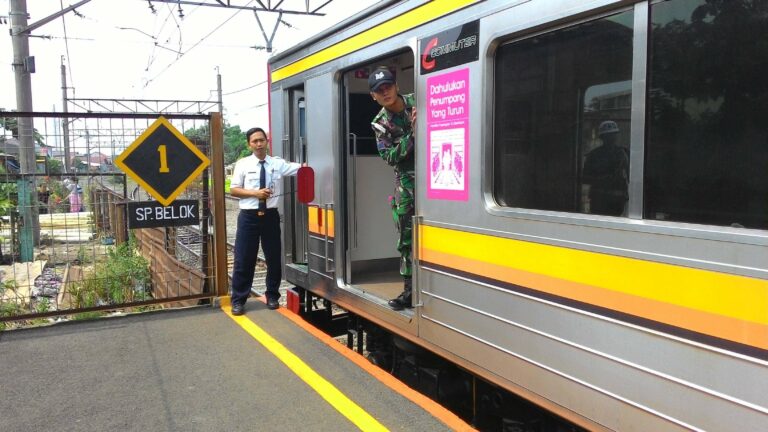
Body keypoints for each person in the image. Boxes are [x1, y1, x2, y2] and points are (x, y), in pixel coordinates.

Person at [229, 127, 304, 315]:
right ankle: (238, 300)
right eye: (254, 141)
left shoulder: (277, 164)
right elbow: (234, 190)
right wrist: (255, 193)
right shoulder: (243, 164)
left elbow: (301, 168)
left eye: (261, 140)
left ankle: (272, 296)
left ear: (267, 141)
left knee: (273, 258)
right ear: (249, 145)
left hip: (270, 216)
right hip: (248, 217)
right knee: (244, 259)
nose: (259, 144)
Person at [369, 66, 416, 311]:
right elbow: (390, 157)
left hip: (439, 177)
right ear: (373, 96)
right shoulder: (380, 124)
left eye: (388, 86)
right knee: (406, 238)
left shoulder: (419, 101)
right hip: (407, 185)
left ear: (397, 86)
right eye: (379, 90)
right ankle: (409, 289)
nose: (385, 92)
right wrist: (414, 136)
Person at [583, 121, 629, 216]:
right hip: (599, 200)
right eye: (608, 136)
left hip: (617, 201)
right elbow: (585, 178)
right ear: (603, 138)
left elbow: (631, 175)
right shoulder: (593, 155)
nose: (611, 138)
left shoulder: (623, 153)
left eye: (613, 135)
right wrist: (603, 180)